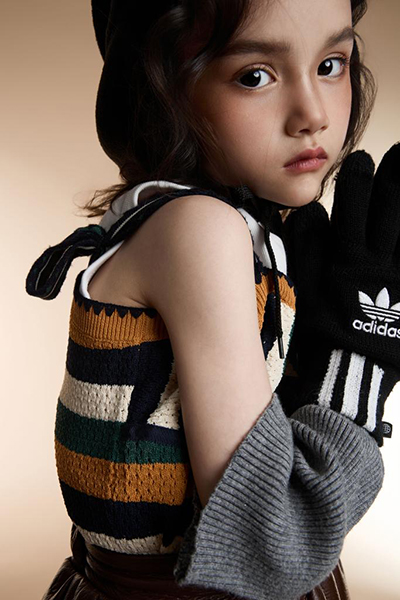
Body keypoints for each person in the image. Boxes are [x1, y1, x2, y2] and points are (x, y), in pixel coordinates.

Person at [25, 0, 399, 599]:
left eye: (332, 63)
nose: (313, 115)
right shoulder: (202, 230)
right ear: (163, 91)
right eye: (255, 75)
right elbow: (271, 548)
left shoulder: (202, 222)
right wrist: (362, 359)